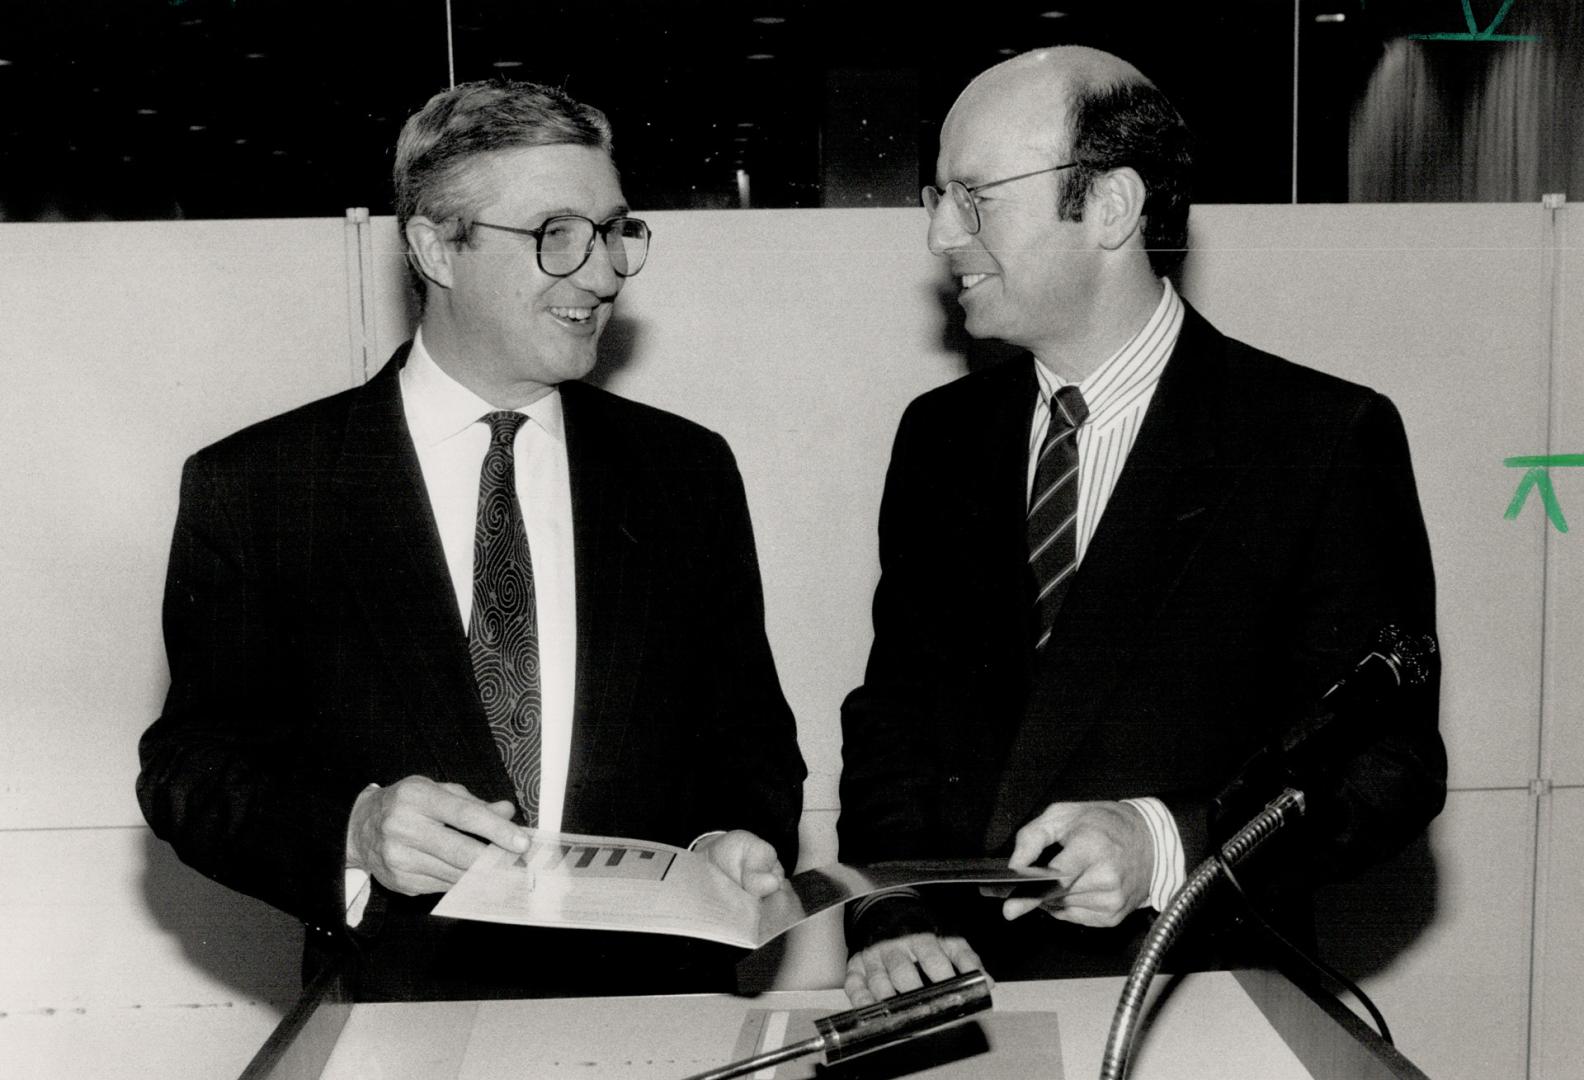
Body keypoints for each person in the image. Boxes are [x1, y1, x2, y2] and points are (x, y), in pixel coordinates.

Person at [137, 80, 806, 1001]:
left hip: (656, 1013)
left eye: (615, 231)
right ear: (433, 247)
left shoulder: (683, 474)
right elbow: (191, 770)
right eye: (556, 235)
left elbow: (751, 747)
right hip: (401, 1014)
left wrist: (725, 842)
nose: (605, 272)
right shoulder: (264, 485)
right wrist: (355, 829)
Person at [837, 46, 1445, 1005]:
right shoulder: (940, 438)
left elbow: (1387, 766)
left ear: (1112, 207)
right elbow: (894, 723)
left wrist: (1167, 841)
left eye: (974, 195)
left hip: (1202, 992)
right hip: (962, 1008)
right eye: (935, 197)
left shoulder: (1317, 439)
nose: (940, 234)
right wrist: (892, 916)